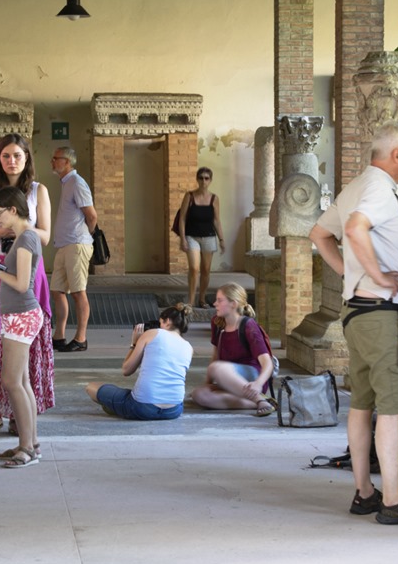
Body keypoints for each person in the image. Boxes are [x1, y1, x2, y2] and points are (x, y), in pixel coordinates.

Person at [309, 120, 398, 527]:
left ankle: (365, 492)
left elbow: (318, 234)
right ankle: (395, 500)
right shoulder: (379, 188)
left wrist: (352, 274)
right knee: (392, 409)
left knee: (362, 404)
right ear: (396, 154)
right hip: (382, 315)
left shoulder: (355, 186)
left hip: (357, 313)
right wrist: (380, 277)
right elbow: (352, 229)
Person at [0, 133, 55, 442]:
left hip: (26, 271)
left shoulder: (38, 191)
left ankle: (21, 416)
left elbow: (45, 236)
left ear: (27, 158)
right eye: (6, 156)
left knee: (25, 343)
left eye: (17, 155)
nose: (12, 160)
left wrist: (17, 226)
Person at [0, 186, 44, 468]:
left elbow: (21, 283)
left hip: (22, 315)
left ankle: (27, 448)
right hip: (18, 314)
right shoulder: (23, 236)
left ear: (13, 210)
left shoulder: (27, 238)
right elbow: (16, 272)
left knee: (11, 382)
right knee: (22, 383)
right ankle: (30, 443)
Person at [85, 305, 194, 420]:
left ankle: (118, 407)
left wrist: (134, 343)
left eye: (160, 322)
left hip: (142, 407)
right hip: (174, 410)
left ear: (167, 321)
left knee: (91, 387)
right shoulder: (189, 347)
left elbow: (126, 370)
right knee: (129, 395)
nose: (159, 326)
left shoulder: (151, 334)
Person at [190, 282, 278, 417]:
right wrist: (208, 385)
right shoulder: (217, 323)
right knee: (200, 395)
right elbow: (215, 355)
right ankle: (259, 403)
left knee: (217, 367)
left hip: (252, 379)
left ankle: (259, 398)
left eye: (219, 300)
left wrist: (258, 384)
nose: (214, 304)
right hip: (227, 378)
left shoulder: (248, 326)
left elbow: (267, 363)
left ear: (233, 304)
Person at [50, 146, 97, 352]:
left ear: (67, 162)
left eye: (56, 158)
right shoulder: (66, 183)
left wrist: (86, 235)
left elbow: (92, 215)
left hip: (77, 244)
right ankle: (58, 336)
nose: (52, 161)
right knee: (57, 290)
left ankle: (80, 338)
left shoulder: (77, 183)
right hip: (64, 245)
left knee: (78, 292)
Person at [178, 167, 225, 307]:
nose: (203, 181)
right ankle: (191, 300)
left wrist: (222, 239)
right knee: (194, 268)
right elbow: (182, 219)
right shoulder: (189, 196)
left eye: (206, 178)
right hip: (192, 236)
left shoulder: (214, 198)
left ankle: (202, 298)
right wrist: (183, 238)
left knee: (206, 269)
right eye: (201, 178)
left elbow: (216, 220)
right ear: (197, 179)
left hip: (209, 237)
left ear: (210, 180)